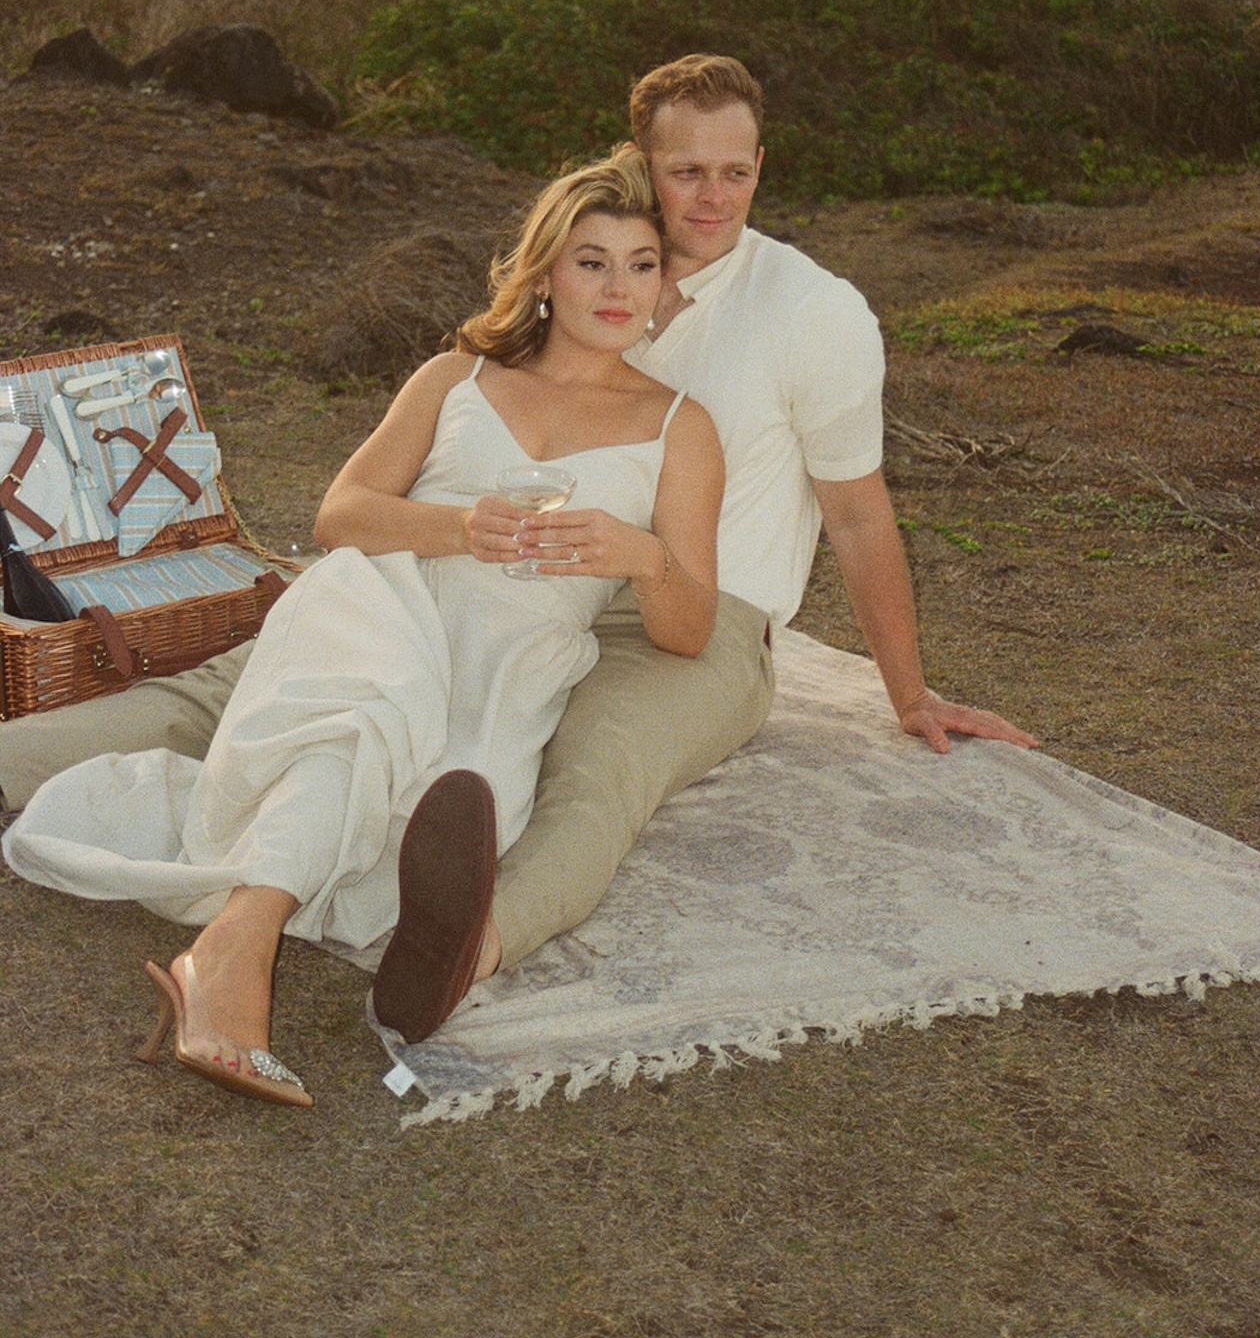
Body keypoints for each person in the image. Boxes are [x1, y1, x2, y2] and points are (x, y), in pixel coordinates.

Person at [0, 55, 1036, 1021]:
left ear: (761, 168)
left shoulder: (814, 313)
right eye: (685, 172)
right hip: (477, 578)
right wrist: (457, 528)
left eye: (733, 172)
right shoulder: (578, 279)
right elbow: (403, 470)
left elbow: (855, 512)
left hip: (698, 610)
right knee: (246, 682)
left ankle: (467, 945)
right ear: (640, 171)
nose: (710, 197)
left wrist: (907, 691)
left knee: (595, 773)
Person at [3, 151, 723, 1106]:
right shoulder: (457, 376)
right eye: (592, 261)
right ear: (546, 273)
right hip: (384, 598)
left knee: (431, 818)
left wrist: (640, 556)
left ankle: (264, 925)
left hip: (513, 659)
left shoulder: (681, 427)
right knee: (360, 721)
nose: (619, 287)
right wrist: (460, 527)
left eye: (642, 264)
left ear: (665, 283)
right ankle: (229, 961)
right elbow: (340, 516)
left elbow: (686, 629)